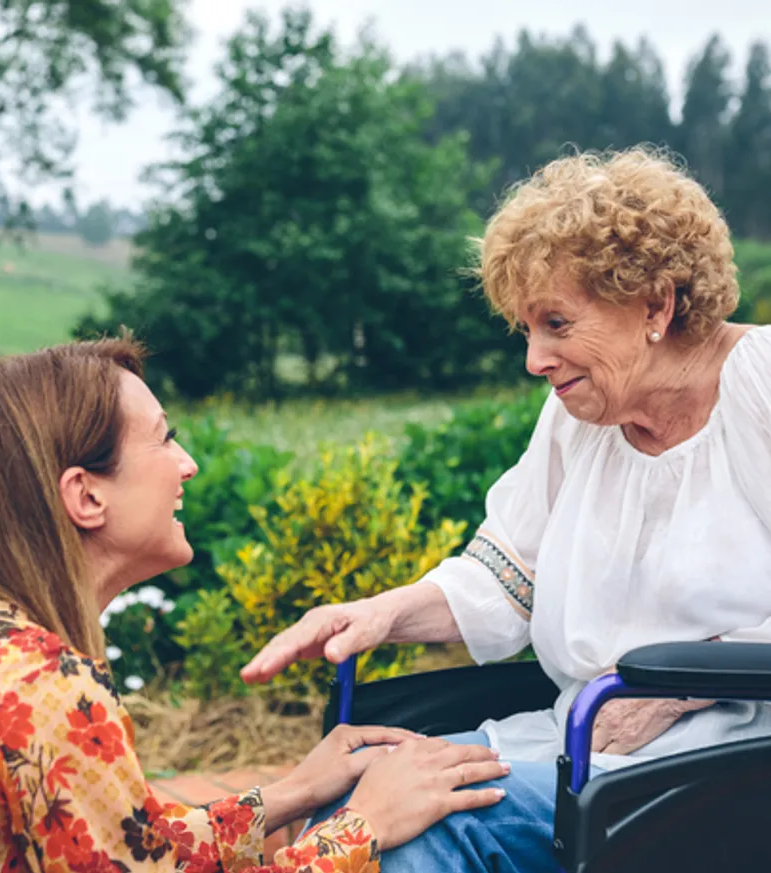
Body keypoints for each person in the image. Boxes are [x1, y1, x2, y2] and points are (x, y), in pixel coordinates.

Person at [241, 147, 771, 872]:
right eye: (526, 329)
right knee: (364, 797)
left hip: (729, 762)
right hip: (582, 741)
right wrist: (381, 612)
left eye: (556, 322)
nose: (534, 359)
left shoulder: (760, 388)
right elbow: (509, 574)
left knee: (424, 830)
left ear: (655, 303)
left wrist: (674, 688)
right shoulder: (580, 414)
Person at [0, 337, 510, 870]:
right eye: (163, 438)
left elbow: (125, 849)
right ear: (86, 496)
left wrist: (291, 794)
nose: (189, 464)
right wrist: (363, 826)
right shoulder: (37, 685)